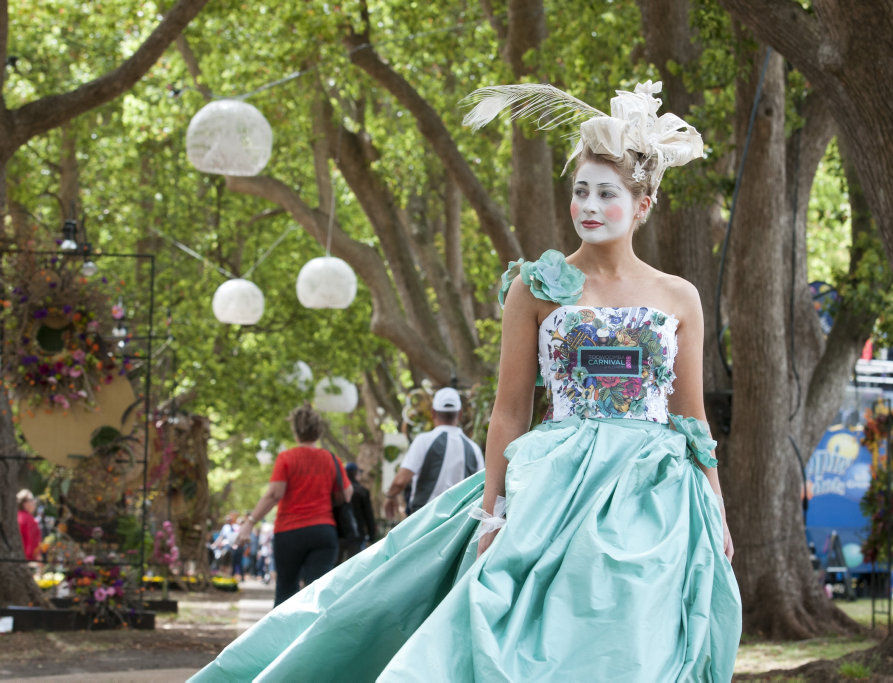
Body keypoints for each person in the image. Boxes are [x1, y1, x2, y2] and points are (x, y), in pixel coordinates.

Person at [193, 80, 741, 681]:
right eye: (580, 190)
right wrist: (493, 510)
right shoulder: (536, 285)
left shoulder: (679, 296)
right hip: (556, 486)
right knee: (536, 639)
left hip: (655, 497)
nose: (587, 205)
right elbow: (509, 411)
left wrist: (714, 506)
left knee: (640, 643)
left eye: (605, 193)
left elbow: (691, 417)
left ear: (642, 204)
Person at [234, 403, 353, 605]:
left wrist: (250, 522)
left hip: (290, 533)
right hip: (323, 532)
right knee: (317, 594)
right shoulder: (331, 459)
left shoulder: (287, 458)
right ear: (319, 431)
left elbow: (274, 494)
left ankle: (282, 636)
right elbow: (347, 494)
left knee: (286, 590)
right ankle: (314, 635)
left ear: (296, 431)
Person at [384, 387, 483, 519]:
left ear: (433, 413)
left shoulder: (423, 441)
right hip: (459, 524)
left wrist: (390, 496)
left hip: (424, 520)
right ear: (459, 414)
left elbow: (400, 481)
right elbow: (482, 489)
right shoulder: (473, 448)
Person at [338, 462, 377, 563]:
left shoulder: (337, 491)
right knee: (354, 565)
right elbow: (368, 515)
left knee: (334, 566)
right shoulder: (362, 491)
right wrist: (372, 535)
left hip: (338, 534)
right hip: (357, 534)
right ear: (356, 474)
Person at [16, 489, 41, 562]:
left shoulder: (17, 516)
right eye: (32, 499)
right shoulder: (29, 520)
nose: (34, 502)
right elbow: (33, 543)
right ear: (24, 503)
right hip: (28, 560)